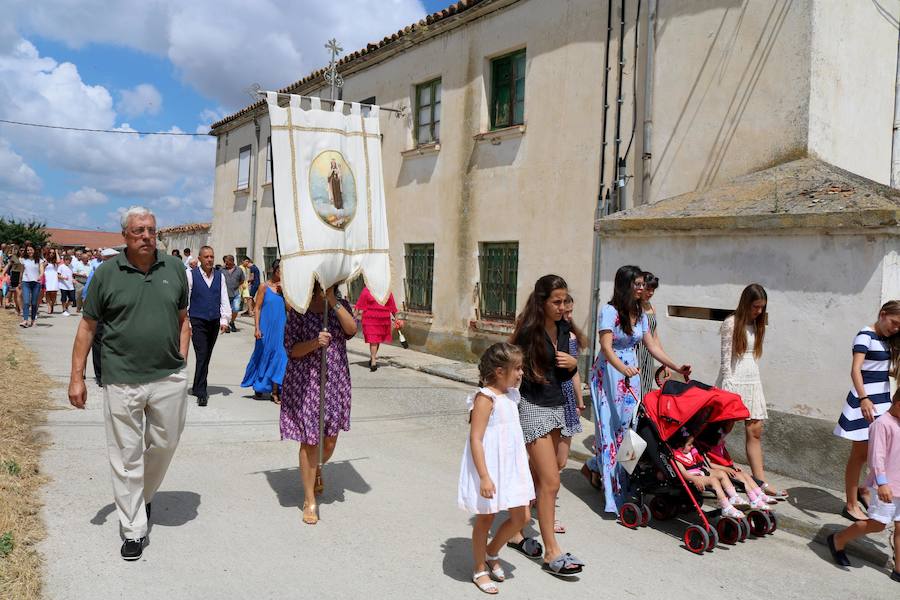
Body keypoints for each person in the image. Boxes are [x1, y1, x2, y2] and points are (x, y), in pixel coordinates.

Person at [68, 206, 190, 561]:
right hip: (121, 378)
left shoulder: (175, 268)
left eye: (151, 230)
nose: (146, 236)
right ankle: (133, 528)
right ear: (125, 236)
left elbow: (184, 319)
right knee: (125, 457)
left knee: (165, 444)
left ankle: (143, 495)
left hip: (168, 375)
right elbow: (87, 328)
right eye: (138, 231)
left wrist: (181, 360)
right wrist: (77, 377)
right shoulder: (106, 273)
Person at [583, 265, 691, 513]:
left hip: (631, 375)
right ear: (625, 285)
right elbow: (606, 347)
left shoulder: (640, 314)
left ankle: (624, 484)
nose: (642, 288)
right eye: (638, 284)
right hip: (609, 375)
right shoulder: (609, 311)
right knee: (610, 434)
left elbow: (651, 345)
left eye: (643, 284)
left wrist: (675, 366)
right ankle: (612, 495)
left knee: (631, 433)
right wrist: (622, 368)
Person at [505, 275, 584, 577]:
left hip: (558, 407)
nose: (563, 306)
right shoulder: (529, 331)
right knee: (551, 482)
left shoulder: (564, 328)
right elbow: (508, 363)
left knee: (544, 472)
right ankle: (552, 552)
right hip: (533, 407)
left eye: (565, 300)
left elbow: (567, 367)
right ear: (542, 302)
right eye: (557, 301)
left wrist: (574, 366)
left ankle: (515, 532)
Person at [458, 343, 535, 595]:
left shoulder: (512, 394)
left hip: (512, 465)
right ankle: (479, 568)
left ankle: (492, 551)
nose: (521, 373)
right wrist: (483, 476)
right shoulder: (485, 398)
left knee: (522, 517)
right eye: (518, 368)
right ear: (500, 371)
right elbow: (476, 439)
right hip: (490, 467)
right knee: (486, 518)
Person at [282, 282, 357, 525]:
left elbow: (352, 329)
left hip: (335, 380)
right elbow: (291, 349)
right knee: (311, 440)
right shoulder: (299, 309)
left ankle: (317, 468)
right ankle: (309, 499)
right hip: (307, 383)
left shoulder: (340, 305)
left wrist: (332, 301)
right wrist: (316, 342)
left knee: (330, 438)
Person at [715, 283, 787, 501]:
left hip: (752, 380)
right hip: (733, 381)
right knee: (721, 433)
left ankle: (760, 481)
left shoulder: (756, 324)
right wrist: (728, 387)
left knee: (755, 432)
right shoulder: (731, 323)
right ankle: (716, 472)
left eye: (762, 307)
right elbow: (726, 358)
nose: (759, 311)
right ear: (746, 303)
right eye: (755, 306)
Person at [834, 300, 900, 521]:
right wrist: (864, 399)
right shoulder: (865, 335)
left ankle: (863, 489)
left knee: (877, 452)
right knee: (859, 455)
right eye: (894, 322)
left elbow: (877, 368)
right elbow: (855, 370)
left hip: (882, 401)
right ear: (882, 314)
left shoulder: (885, 339)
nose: (896, 328)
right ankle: (851, 504)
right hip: (866, 402)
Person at [829, 389, 900, 582]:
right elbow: (876, 457)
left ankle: (899, 569)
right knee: (877, 525)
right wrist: (882, 483)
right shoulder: (881, 424)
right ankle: (838, 539)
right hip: (885, 486)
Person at [554, 293, 586, 534]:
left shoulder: (572, 338)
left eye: (571, 311)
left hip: (567, 402)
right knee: (545, 462)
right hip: (548, 401)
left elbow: (574, 371)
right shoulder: (547, 335)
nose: (568, 315)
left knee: (561, 461)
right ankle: (546, 507)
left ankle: (539, 495)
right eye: (565, 311)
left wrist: (578, 400)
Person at [186, 246, 230, 407]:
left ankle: (197, 386)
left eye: (212, 256)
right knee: (202, 354)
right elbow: (187, 299)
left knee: (206, 355)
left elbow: (223, 297)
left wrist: (225, 319)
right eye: (206, 257)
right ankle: (202, 392)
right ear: (199, 258)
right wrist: (188, 322)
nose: (210, 259)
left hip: (214, 320)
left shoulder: (220, 276)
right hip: (197, 320)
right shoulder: (190, 275)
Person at [672, 432, 750, 519]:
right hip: (694, 477)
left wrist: (714, 470)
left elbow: (702, 465)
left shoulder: (691, 452)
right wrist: (695, 479)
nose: (692, 447)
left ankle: (734, 497)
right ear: (680, 446)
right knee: (713, 480)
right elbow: (685, 474)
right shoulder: (677, 457)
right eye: (689, 444)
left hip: (701, 470)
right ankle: (726, 507)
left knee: (721, 473)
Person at [241, 259, 287, 402]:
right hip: (266, 328)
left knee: (280, 357)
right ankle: (259, 385)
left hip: (281, 328)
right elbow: (257, 308)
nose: (282, 274)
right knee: (262, 355)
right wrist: (257, 328)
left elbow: (290, 309)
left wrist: (284, 293)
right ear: (274, 270)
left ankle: (275, 390)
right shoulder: (264, 287)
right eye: (280, 270)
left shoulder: (286, 288)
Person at [354, 286, 398, 371]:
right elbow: (360, 303)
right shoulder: (367, 289)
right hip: (370, 318)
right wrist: (354, 317)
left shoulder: (387, 290)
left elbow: (391, 304)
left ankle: (372, 357)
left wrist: (396, 318)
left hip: (382, 319)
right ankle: (374, 360)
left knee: (377, 339)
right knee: (373, 339)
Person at [635, 272, 660, 399]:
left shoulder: (651, 307)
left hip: (649, 353)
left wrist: (663, 362)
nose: (650, 293)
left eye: (653, 290)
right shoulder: (634, 307)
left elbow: (655, 336)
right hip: (636, 351)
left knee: (647, 388)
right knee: (635, 387)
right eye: (648, 289)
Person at [19, 244, 43, 327]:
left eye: (31, 250)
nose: (29, 251)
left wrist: (40, 276)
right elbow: (21, 271)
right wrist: (20, 281)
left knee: (34, 303)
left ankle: (33, 320)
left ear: (34, 250)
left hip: (36, 283)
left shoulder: (39, 260)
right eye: (28, 250)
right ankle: (25, 320)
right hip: (26, 282)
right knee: (26, 301)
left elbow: (41, 270)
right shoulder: (23, 259)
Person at [221, 254, 245, 333]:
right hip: (225, 294)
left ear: (232, 261)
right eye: (225, 262)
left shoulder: (239, 270)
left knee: (236, 308)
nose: (225, 264)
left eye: (227, 262)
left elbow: (242, 280)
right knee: (226, 310)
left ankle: (232, 322)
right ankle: (227, 324)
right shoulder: (222, 270)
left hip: (235, 293)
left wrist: (236, 286)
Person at [70, 249, 91, 313]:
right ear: (82, 259)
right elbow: (74, 273)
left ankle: (85, 308)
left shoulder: (90, 264)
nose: (86, 259)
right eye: (85, 258)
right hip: (79, 282)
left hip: (88, 282)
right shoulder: (78, 264)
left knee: (87, 296)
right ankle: (79, 307)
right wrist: (81, 275)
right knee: (79, 296)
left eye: (87, 258)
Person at [43, 247, 60, 315]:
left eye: (53, 253)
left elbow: (58, 261)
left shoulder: (55, 260)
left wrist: (56, 252)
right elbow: (42, 268)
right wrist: (44, 265)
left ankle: (52, 304)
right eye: (50, 252)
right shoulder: (45, 260)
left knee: (53, 293)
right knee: (47, 292)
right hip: (47, 277)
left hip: (54, 277)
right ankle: (49, 306)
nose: (51, 254)